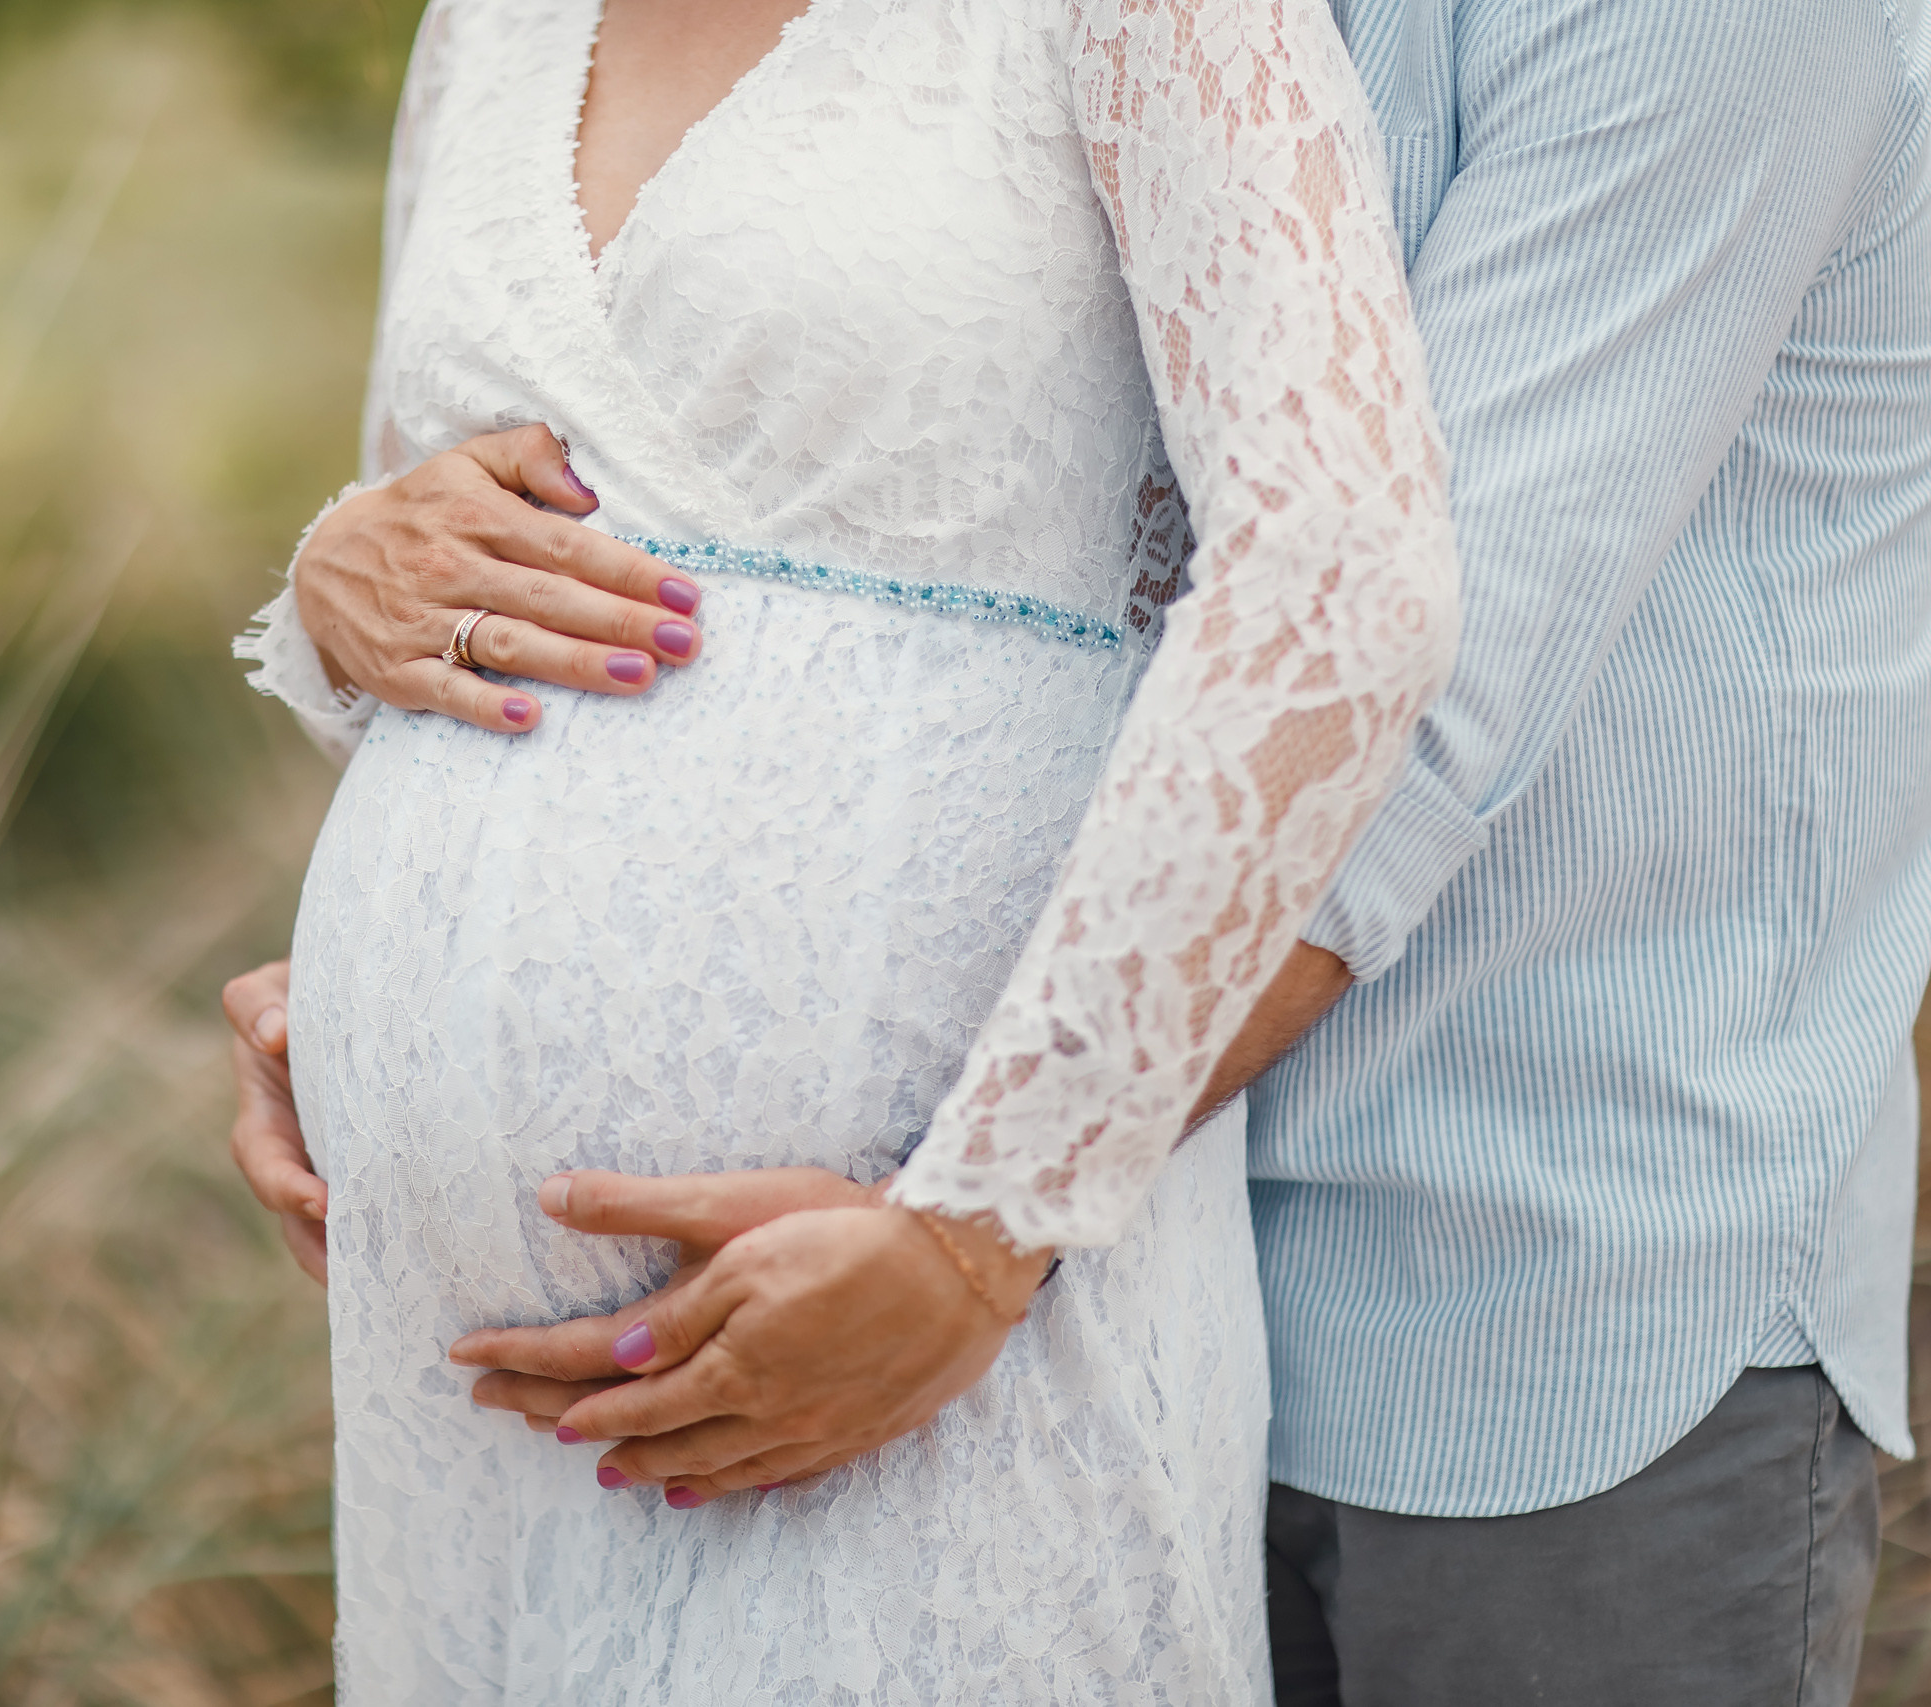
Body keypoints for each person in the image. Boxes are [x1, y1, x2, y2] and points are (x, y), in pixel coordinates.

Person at [232, 0, 1931, 1702]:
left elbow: (1413, 686)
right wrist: (418, 959)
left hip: (1530, 1243)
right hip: (1089, 1236)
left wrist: (988, 1211)